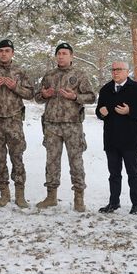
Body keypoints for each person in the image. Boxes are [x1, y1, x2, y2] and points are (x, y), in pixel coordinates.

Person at [34, 42, 95, 212]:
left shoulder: (79, 75)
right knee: (51, 161)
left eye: (64, 53)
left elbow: (91, 97)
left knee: (76, 162)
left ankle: (79, 198)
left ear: (71, 56)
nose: (61, 56)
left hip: (72, 125)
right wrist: (44, 95)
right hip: (52, 125)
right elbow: (38, 97)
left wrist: (75, 96)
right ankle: (51, 196)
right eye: (59, 53)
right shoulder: (49, 75)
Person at [95, 61, 137, 215]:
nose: (115, 72)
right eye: (113, 69)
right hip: (111, 138)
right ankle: (114, 202)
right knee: (114, 173)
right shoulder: (106, 89)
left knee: (132, 172)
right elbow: (98, 111)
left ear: (127, 71)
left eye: (119, 69)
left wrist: (130, 111)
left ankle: (136, 204)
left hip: (130, 139)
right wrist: (101, 113)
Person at [0, 39, 34, 208]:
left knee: (17, 158)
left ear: (12, 53)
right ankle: (4, 194)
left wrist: (15, 86)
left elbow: (30, 94)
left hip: (14, 121)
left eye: (7, 50)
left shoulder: (20, 72)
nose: (4, 53)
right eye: (1, 51)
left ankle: (20, 195)